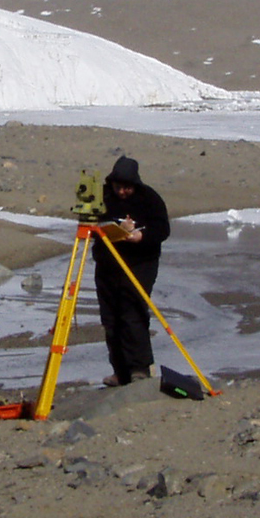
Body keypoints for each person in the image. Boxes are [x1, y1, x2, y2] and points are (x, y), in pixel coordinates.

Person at [91, 155, 170, 386]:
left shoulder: (149, 198)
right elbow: (93, 224)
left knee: (132, 312)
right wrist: (115, 229)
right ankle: (120, 371)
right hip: (108, 265)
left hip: (140, 263)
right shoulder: (102, 197)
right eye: (118, 187)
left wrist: (139, 235)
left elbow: (162, 229)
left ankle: (140, 368)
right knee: (110, 317)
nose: (122, 192)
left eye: (127, 188)